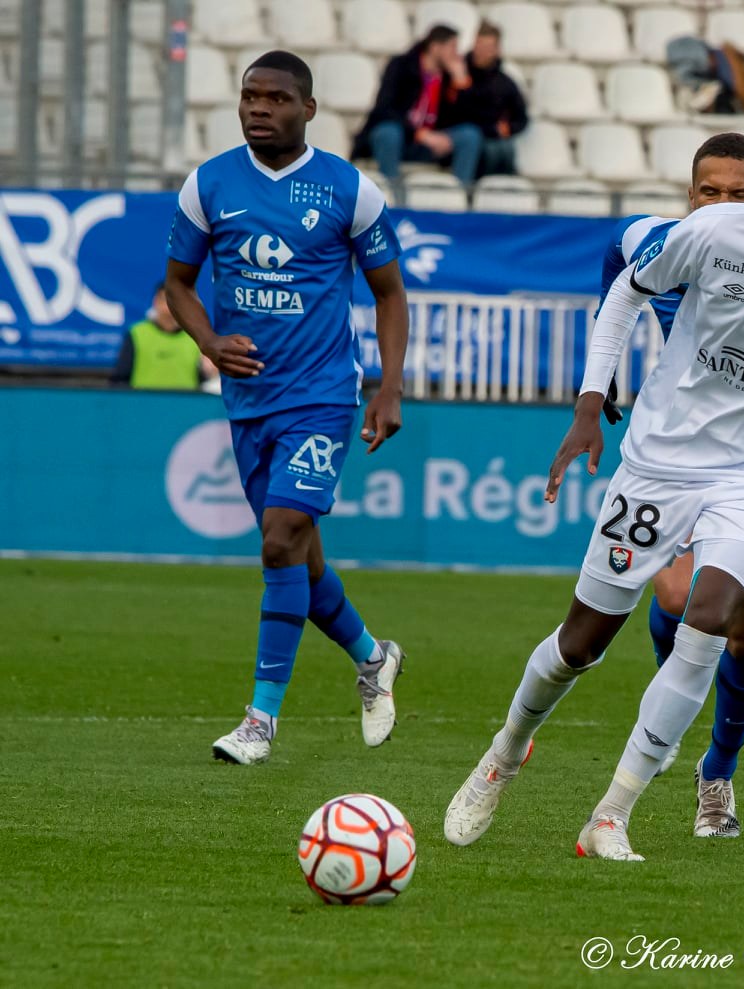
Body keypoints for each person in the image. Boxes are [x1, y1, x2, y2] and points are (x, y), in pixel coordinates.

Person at [443, 120, 744, 862]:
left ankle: (611, 814)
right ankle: (504, 753)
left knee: (708, 619)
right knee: (580, 643)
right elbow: (625, 292)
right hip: (660, 462)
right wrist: (587, 402)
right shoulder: (710, 234)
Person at [164, 51, 411, 765]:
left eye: (275, 98)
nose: (258, 109)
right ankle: (373, 656)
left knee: (278, 538)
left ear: (308, 108)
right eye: (249, 96)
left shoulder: (347, 190)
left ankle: (260, 718)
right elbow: (178, 284)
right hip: (247, 401)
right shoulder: (208, 185)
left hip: (322, 394)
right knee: (298, 556)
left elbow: (390, 292)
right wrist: (209, 339)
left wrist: (388, 386)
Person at [589, 132, 744, 839]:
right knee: (679, 596)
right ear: (688, 197)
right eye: (708, 193)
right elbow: (617, 255)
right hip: (676, 458)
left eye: (739, 195)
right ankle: (672, 709)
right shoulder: (667, 242)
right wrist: (602, 367)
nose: (721, 206)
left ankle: (719, 771)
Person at [350, 25, 482, 195]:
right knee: (388, 132)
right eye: (452, 47)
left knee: (470, 135)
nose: (456, 54)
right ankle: (395, 198)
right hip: (402, 139)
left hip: (432, 143)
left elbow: (468, 118)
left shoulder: (450, 75)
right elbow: (384, 109)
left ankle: (459, 197)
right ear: (435, 47)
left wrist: (461, 84)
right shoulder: (401, 66)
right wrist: (419, 134)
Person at [446, 21, 527, 178]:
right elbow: (454, 113)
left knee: (504, 149)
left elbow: (521, 118)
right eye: (480, 45)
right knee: (478, 142)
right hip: (459, 136)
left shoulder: (504, 83)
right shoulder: (456, 73)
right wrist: (461, 85)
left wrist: (508, 128)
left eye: (488, 47)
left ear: (497, 50)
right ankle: (467, 194)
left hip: (491, 138)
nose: (482, 51)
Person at [110, 281, 214, 390]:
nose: (172, 307)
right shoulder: (136, 333)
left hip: (185, 405)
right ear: (156, 302)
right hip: (142, 405)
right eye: (167, 301)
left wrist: (210, 373)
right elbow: (119, 380)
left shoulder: (196, 337)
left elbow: (206, 381)